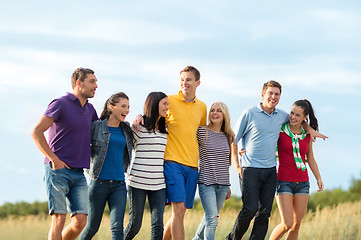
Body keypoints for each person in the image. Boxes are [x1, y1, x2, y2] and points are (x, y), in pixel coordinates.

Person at [227, 81, 327, 240]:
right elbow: (234, 139)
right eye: (270, 93)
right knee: (252, 210)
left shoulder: (282, 117)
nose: (273, 97)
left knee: (270, 215)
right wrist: (237, 164)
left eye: (277, 94)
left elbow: (301, 126)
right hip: (258, 171)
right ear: (263, 94)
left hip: (277, 173)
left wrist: (311, 130)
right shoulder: (258, 116)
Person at [133, 66, 207, 240]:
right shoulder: (169, 101)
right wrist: (138, 116)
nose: (184, 83)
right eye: (182, 79)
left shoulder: (202, 107)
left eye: (188, 79)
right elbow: (152, 113)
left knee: (180, 213)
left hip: (192, 165)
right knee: (178, 209)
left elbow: (202, 134)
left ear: (197, 82)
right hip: (172, 162)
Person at [32, 67, 98, 240]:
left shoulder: (91, 110)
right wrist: (55, 160)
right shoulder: (60, 103)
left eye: (96, 82)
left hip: (79, 173)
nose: (96, 85)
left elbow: (102, 133)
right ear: (79, 83)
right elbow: (37, 132)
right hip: (58, 170)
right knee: (59, 219)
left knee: (80, 222)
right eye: (92, 81)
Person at [79, 92, 133, 240]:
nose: (127, 111)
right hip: (98, 183)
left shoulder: (126, 129)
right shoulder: (96, 127)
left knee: (117, 228)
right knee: (92, 228)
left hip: (119, 185)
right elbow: (80, 142)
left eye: (128, 107)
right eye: (123, 106)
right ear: (111, 107)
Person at [269, 99, 324, 240]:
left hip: (303, 183)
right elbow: (265, 142)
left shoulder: (307, 135)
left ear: (304, 117)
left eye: (298, 115)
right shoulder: (281, 130)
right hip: (283, 181)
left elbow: (310, 158)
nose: (293, 117)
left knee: (296, 225)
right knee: (287, 223)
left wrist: (318, 177)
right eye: (292, 113)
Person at [124, 92, 169, 240]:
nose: (167, 107)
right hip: (137, 182)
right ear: (154, 104)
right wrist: (137, 116)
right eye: (165, 104)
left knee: (158, 226)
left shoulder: (166, 129)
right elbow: (126, 148)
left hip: (158, 184)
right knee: (134, 226)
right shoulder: (138, 127)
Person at [192, 102, 233, 240]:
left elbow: (226, 161)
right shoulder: (202, 131)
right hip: (206, 182)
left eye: (219, 111)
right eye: (212, 110)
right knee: (213, 220)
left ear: (224, 115)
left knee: (209, 218)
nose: (215, 113)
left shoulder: (227, 135)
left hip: (223, 185)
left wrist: (228, 185)